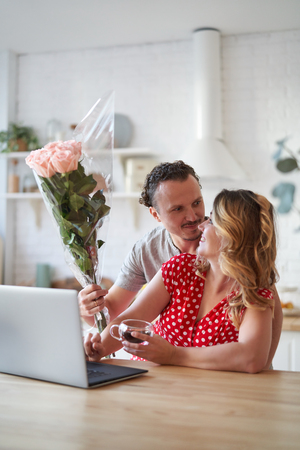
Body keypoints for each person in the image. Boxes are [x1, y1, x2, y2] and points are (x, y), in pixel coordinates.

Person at [79, 161, 282, 366]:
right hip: (158, 380)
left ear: (233, 236)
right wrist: (98, 346)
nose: (198, 220)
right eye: (177, 209)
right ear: (156, 215)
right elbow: (126, 316)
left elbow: (255, 354)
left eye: (197, 203)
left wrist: (174, 355)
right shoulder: (173, 263)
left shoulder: (253, 284)